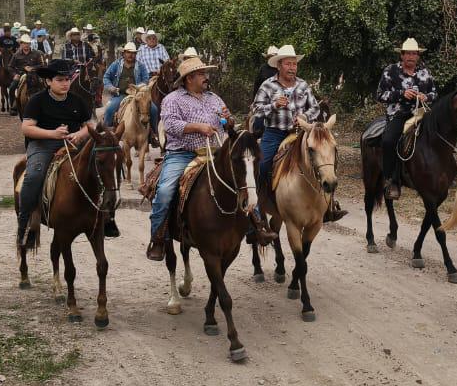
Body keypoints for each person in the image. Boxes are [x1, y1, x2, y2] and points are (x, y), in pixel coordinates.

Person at [148, 56, 270, 261]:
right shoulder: (172, 100)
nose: (206, 77)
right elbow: (170, 126)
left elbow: (227, 123)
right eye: (202, 74)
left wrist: (229, 121)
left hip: (215, 152)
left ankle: (257, 226)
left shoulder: (214, 98)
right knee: (165, 190)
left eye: (205, 74)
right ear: (189, 78)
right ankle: (159, 237)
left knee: (245, 180)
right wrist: (198, 127)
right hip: (182, 154)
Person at [15, 58, 121, 245]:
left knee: (102, 167)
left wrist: (80, 135)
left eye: (67, 80)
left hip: (73, 144)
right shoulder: (37, 101)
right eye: (60, 80)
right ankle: (25, 227)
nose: (65, 84)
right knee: (33, 176)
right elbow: (27, 128)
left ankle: (107, 218)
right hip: (42, 145)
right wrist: (52, 134)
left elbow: (90, 125)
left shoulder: (77, 101)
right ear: (48, 81)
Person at [251, 46, 347, 223]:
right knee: (263, 164)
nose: (292, 68)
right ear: (279, 65)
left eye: (294, 64)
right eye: (288, 64)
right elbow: (255, 109)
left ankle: (329, 204)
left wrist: (304, 116)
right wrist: (274, 105)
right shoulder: (268, 85)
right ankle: (260, 203)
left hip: (301, 132)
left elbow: (315, 108)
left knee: (326, 156)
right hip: (274, 133)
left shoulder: (303, 85)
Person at [376, 38, 437, 201]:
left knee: (439, 133)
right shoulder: (390, 71)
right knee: (389, 141)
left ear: (418, 56)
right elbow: (380, 95)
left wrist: (426, 96)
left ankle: (439, 173)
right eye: (408, 53)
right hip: (398, 114)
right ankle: (391, 180)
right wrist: (401, 94)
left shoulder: (425, 72)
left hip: (421, 112)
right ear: (401, 55)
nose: (411, 56)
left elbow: (434, 93)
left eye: (414, 53)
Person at [102, 43, 150, 127]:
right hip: (120, 94)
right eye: (128, 52)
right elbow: (106, 77)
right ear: (124, 53)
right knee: (110, 109)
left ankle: (154, 134)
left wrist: (138, 87)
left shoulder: (141, 66)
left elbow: (146, 79)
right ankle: (106, 132)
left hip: (137, 95)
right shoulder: (116, 64)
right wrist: (111, 87)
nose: (131, 55)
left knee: (154, 110)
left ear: (136, 54)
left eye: (133, 53)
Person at [7, 33, 46, 108]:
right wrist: (14, 75)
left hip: (35, 74)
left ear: (30, 44)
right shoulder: (16, 55)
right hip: (21, 75)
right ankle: (13, 105)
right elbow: (10, 67)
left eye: (28, 43)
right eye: (24, 43)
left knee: (45, 85)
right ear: (21, 44)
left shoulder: (36, 53)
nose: (26, 45)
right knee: (12, 87)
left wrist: (32, 68)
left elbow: (42, 65)